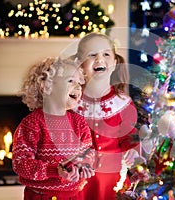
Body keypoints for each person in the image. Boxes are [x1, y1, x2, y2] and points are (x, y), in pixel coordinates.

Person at [12, 56, 95, 200]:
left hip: (74, 195)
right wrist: (55, 170)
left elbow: (87, 153)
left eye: (79, 83)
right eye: (70, 81)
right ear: (46, 86)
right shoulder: (32, 124)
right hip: (41, 196)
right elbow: (21, 164)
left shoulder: (79, 123)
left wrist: (85, 165)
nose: (78, 87)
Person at [73, 32, 141, 200]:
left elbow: (129, 137)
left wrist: (133, 152)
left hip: (113, 179)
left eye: (105, 54)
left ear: (115, 62)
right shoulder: (72, 101)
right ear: (80, 64)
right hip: (80, 180)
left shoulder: (122, 102)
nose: (99, 59)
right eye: (92, 55)